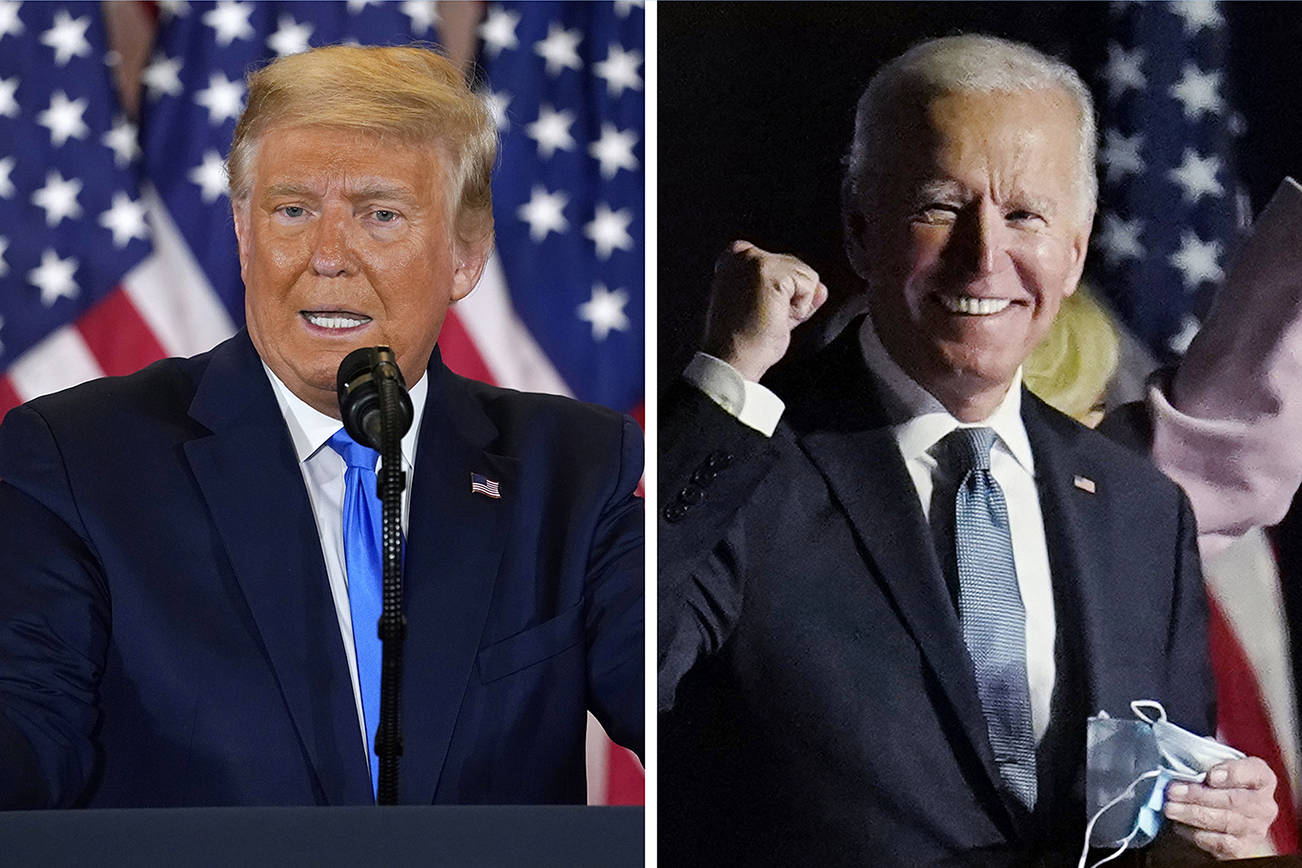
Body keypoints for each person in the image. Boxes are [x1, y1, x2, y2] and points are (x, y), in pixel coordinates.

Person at [659, 35, 1275, 864]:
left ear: (1076, 247)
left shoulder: (1140, 509)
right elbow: (616, 657)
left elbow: (1153, 813)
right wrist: (728, 379)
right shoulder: (748, 463)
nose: (985, 258)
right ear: (858, 230)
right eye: (940, 207)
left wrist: (1212, 818)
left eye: (1025, 215)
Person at [0, 44, 642, 808]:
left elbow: (698, 705)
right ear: (243, 231)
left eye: (379, 215)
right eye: (293, 210)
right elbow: (23, 746)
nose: (327, 257)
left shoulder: (570, 469)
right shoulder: (78, 461)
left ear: (465, 254)